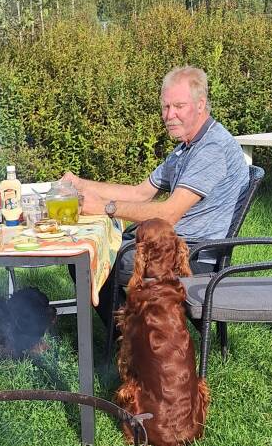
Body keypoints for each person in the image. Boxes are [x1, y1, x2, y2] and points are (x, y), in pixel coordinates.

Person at [62, 65, 249, 319]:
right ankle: (134, 330)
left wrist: (106, 207)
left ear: (200, 105)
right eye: (165, 107)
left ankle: (130, 335)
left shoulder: (212, 148)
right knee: (89, 251)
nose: (170, 115)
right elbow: (140, 193)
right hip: (171, 244)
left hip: (190, 255)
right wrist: (80, 184)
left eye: (179, 106)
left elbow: (168, 214)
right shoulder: (187, 147)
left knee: (84, 259)